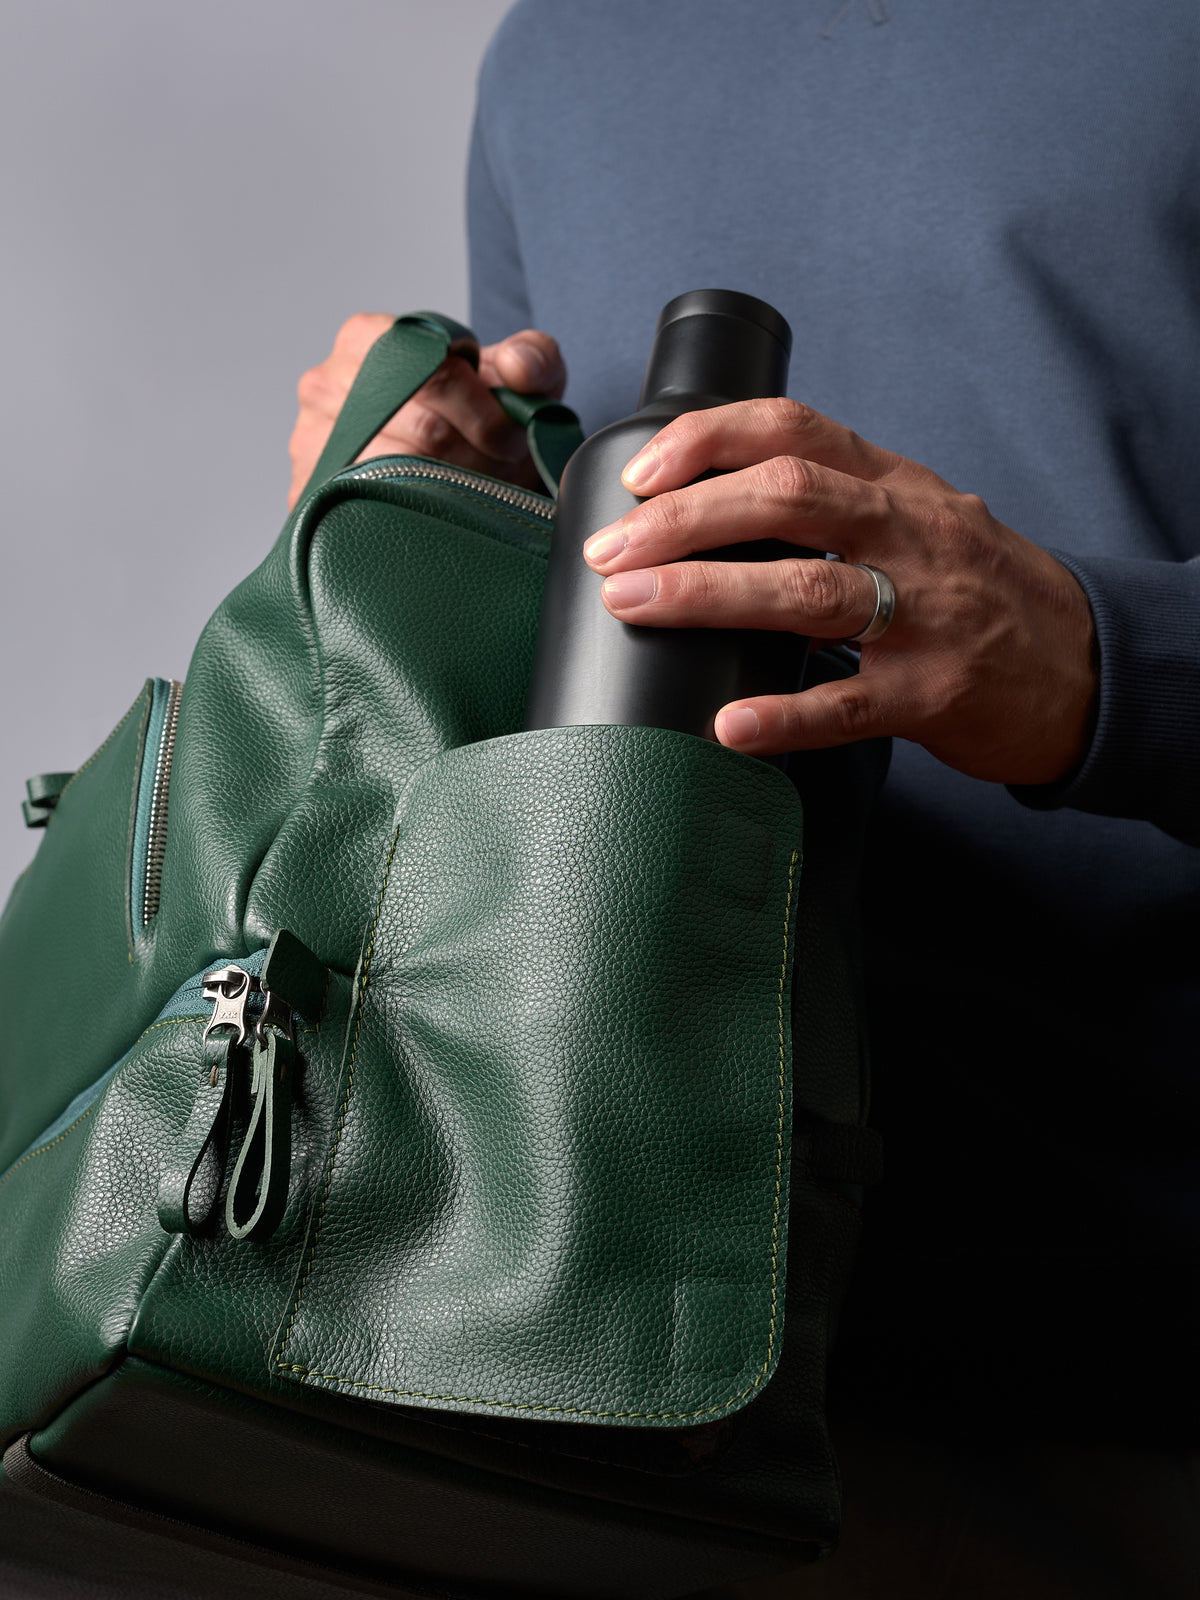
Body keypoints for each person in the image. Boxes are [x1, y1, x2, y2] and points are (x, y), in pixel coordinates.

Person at [288, 3, 1200, 1593]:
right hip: (629, 1337)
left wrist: (1096, 658)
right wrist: (446, 514)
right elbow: (586, 661)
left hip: (1131, 1344)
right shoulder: (563, 50)